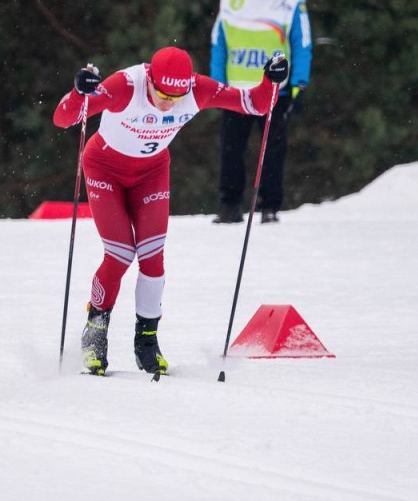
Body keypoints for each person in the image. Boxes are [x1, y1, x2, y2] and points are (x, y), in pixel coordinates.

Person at [53, 46, 288, 376]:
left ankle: (147, 341)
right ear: (150, 78)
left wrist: (271, 80)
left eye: (176, 96)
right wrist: (79, 92)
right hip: (104, 167)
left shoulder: (198, 89)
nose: (168, 103)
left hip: (151, 172)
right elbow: (63, 118)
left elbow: (258, 104)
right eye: (162, 93)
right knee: (120, 254)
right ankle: (95, 331)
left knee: (153, 256)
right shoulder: (125, 86)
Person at [210, 0, 312, 224]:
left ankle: (270, 206)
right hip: (237, 91)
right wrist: (217, 86)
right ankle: (230, 206)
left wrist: (299, 84)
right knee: (231, 150)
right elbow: (219, 44)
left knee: (272, 149)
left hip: (274, 92)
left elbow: (302, 44)